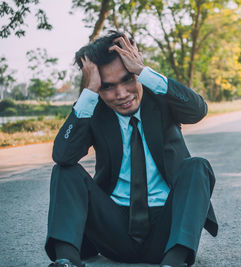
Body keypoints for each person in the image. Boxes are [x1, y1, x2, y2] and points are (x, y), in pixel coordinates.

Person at [45, 31, 218, 267]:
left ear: (136, 69)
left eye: (128, 79)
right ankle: (67, 261)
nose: (121, 94)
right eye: (107, 87)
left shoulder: (160, 99)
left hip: (167, 231)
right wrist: (89, 92)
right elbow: (63, 155)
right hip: (114, 229)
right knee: (64, 171)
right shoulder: (94, 110)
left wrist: (144, 72)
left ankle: (175, 263)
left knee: (197, 166)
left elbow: (197, 111)